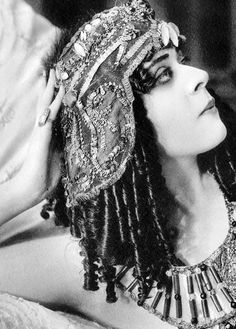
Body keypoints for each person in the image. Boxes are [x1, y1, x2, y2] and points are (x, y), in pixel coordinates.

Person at [1, 0, 236, 328]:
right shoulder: (95, 274)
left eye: (184, 61)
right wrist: (25, 188)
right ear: (118, 131)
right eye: (161, 76)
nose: (200, 76)